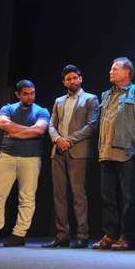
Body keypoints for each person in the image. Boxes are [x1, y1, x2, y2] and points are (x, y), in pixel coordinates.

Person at [0, 80, 50, 247]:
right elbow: (2, 124)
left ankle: (19, 234)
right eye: (26, 94)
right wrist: (27, 131)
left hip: (31, 157)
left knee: (27, 197)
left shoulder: (42, 111)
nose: (30, 97)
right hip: (7, 156)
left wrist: (14, 133)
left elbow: (39, 130)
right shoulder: (7, 108)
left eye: (32, 93)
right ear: (18, 94)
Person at [92, 57, 135, 251]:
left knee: (128, 198)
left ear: (127, 73)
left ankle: (127, 237)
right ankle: (110, 235)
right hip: (106, 152)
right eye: (111, 69)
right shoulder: (105, 95)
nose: (110, 72)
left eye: (115, 69)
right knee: (107, 197)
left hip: (126, 151)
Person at [42, 65, 99, 249]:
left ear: (80, 79)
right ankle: (61, 235)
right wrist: (57, 139)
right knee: (59, 195)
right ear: (64, 82)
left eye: (75, 78)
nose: (72, 81)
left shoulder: (90, 99)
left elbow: (92, 125)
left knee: (78, 195)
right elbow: (51, 123)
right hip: (58, 152)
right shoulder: (59, 101)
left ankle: (82, 235)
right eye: (68, 79)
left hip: (78, 152)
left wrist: (69, 140)